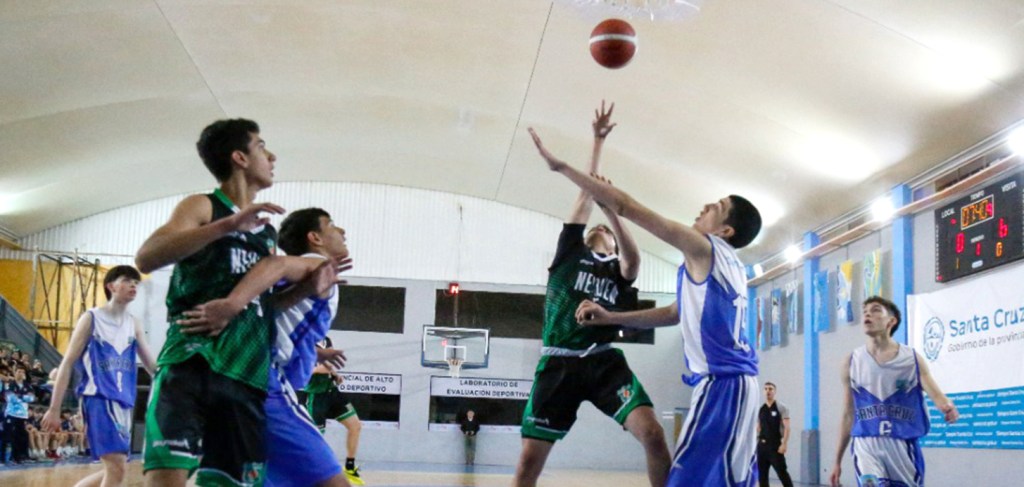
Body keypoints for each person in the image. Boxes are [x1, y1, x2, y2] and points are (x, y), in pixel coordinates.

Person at [529, 117, 764, 486]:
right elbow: (673, 313)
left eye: (717, 206)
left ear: (725, 231)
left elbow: (626, 206)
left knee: (683, 479)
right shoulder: (728, 266)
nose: (706, 205)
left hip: (722, 385)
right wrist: (610, 318)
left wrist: (562, 167)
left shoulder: (704, 248)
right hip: (737, 385)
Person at [135, 118, 339, 487]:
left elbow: (263, 307)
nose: (272, 156)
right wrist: (226, 226)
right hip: (193, 364)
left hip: (246, 376)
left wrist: (305, 291)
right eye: (261, 146)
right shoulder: (203, 206)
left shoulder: (266, 232)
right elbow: (147, 257)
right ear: (239, 158)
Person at [514, 102, 671, 487]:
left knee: (653, 434)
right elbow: (585, 195)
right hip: (558, 363)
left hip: (603, 363)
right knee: (528, 463)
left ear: (612, 243)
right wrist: (597, 141)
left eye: (606, 230)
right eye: (595, 227)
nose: (598, 227)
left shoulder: (619, 269)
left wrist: (612, 209)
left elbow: (633, 260)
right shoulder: (569, 255)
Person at [177, 207, 353, 487]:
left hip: (237, 377)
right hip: (263, 384)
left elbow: (269, 313)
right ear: (315, 238)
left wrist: (318, 352)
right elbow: (276, 264)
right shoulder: (315, 264)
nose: (342, 231)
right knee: (332, 482)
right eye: (332, 225)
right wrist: (231, 305)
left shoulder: (303, 277)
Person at [42, 265, 156, 485]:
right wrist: (54, 409)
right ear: (111, 286)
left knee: (115, 469)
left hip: (123, 402)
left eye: (136, 282)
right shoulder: (92, 318)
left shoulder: (134, 323)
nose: (133, 285)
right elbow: (67, 363)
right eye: (127, 280)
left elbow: (152, 366)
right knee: (116, 466)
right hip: (98, 397)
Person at [829, 297, 958, 487]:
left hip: (902, 444)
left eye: (875, 310)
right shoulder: (851, 361)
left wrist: (947, 407)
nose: (867, 313)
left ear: (891, 321)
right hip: (866, 444)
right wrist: (837, 461)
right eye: (865, 311)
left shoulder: (912, 359)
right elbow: (848, 414)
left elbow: (937, 395)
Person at [304, 337, 365, 485]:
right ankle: (311, 471)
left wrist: (335, 374)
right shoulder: (305, 341)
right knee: (316, 438)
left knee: (355, 426)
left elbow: (327, 364)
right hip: (316, 395)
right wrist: (318, 369)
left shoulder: (326, 340)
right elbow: (306, 368)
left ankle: (349, 467)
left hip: (332, 392)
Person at [757, 382, 794, 487]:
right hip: (762, 447)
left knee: (782, 473)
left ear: (775, 391)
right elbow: (758, 427)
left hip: (775, 446)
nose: (768, 391)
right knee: (762, 476)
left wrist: (784, 444)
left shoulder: (781, 407)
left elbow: (787, 427)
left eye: (770, 389)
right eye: (765, 389)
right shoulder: (761, 409)